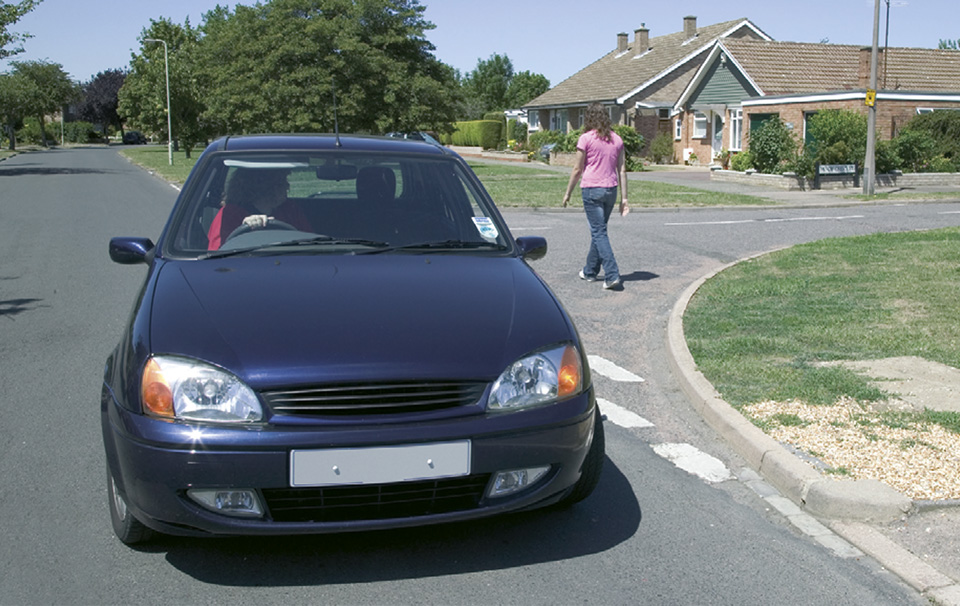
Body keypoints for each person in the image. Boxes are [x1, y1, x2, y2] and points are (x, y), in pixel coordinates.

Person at [562, 103, 629, 290]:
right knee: (599, 232)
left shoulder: (585, 139)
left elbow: (577, 169)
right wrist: (624, 198)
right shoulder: (617, 139)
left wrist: (568, 193)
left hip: (592, 189)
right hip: (611, 190)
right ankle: (590, 271)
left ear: (589, 118)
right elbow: (622, 170)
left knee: (599, 232)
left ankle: (612, 274)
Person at [207, 168, 312, 250]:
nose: (287, 186)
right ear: (264, 186)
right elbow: (217, 256)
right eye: (281, 181)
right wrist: (245, 229)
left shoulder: (290, 209)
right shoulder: (229, 214)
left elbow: (310, 243)